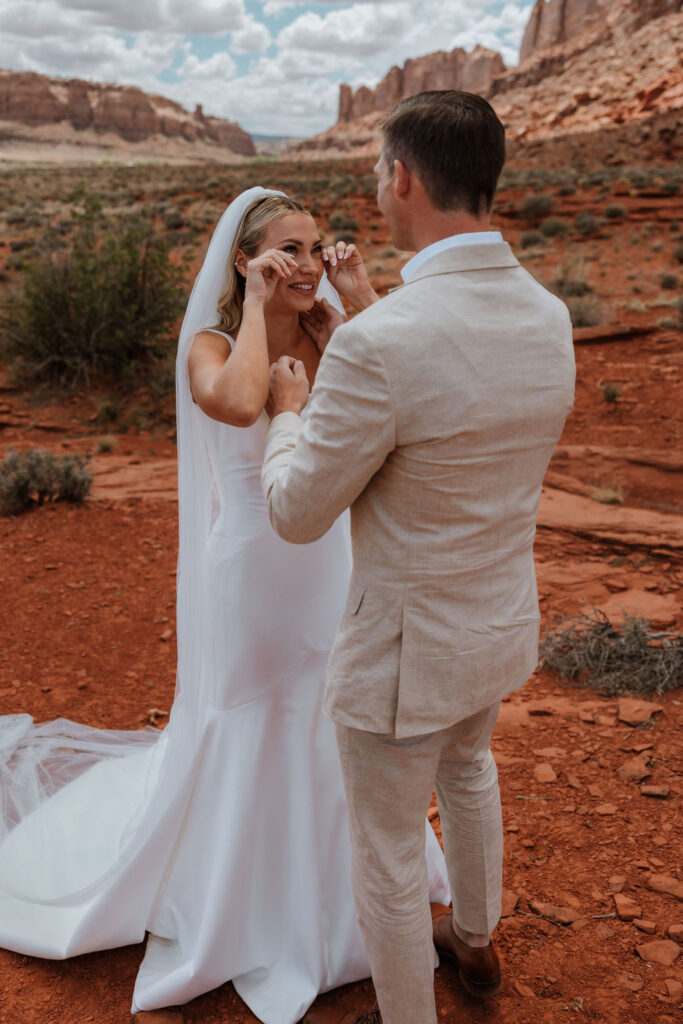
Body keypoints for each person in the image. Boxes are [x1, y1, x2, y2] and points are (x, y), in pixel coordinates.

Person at [0, 187, 450, 1024]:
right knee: (250, 711)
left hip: (325, 555)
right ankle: (237, 908)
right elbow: (242, 405)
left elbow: (401, 405)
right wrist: (254, 308)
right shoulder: (212, 344)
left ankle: (338, 901)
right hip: (248, 561)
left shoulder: (325, 333)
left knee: (326, 711)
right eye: (287, 249)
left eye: (316, 247)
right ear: (245, 261)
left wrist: (347, 319)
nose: (308, 263)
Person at [261, 92, 576, 1024]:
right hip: (494, 622)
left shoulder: (380, 344)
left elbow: (293, 513)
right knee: (470, 770)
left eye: (375, 171)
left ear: (401, 177)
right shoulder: (549, 314)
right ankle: (474, 943)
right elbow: (456, 401)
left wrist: (289, 413)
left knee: (392, 854)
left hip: (402, 655)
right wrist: (361, 322)